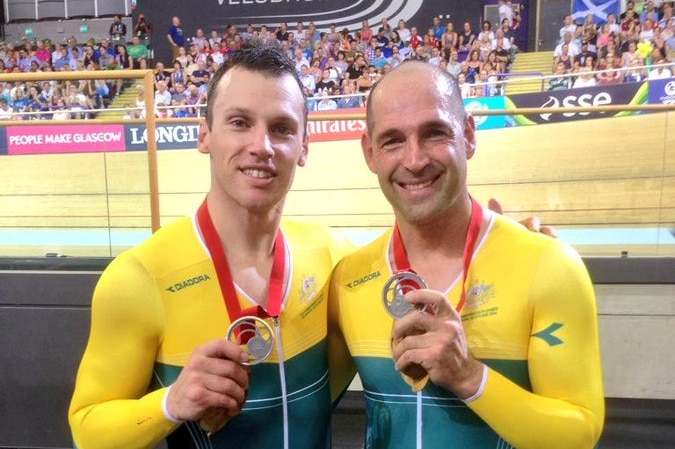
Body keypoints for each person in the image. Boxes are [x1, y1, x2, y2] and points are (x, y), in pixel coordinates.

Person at [69, 45, 351, 449]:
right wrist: (171, 402)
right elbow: (87, 429)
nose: (262, 146)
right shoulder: (139, 278)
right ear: (205, 136)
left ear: (304, 147)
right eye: (240, 122)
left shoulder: (333, 258)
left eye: (283, 129)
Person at [328, 61, 605, 449]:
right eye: (392, 140)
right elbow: (294, 404)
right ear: (370, 152)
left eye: (435, 133)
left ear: (469, 135)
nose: (415, 160)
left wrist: (470, 377)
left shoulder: (548, 266)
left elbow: (579, 432)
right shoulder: (348, 280)